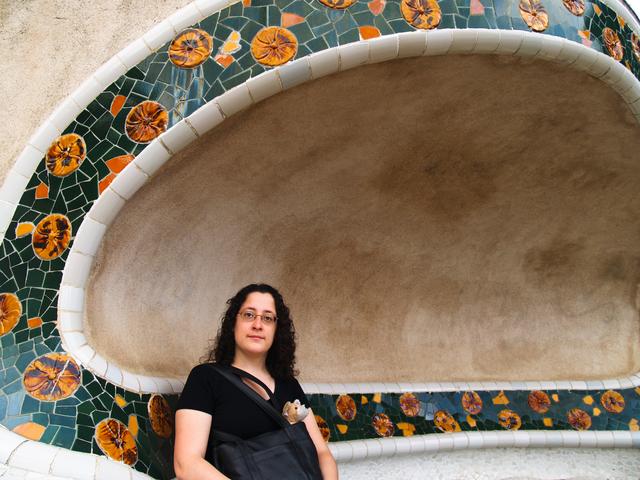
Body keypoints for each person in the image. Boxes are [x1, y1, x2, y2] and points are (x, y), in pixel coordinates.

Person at [173, 283, 339, 480]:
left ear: (277, 330)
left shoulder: (288, 384)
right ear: (233, 323)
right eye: (249, 314)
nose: (257, 325)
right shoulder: (206, 378)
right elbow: (187, 463)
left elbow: (322, 453)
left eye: (268, 318)